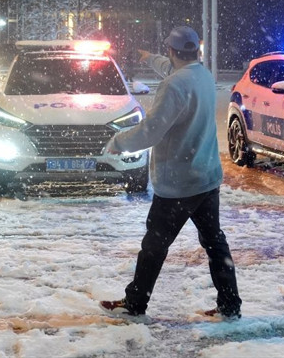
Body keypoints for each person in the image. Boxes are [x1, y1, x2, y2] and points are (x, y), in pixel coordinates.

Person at [100, 26, 241, 320]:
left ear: (173, 51)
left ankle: (136, 302)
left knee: (154, 245)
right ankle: (230, 305)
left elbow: (150, 131)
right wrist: (148, 57)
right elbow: (172, 68)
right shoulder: (202, 76)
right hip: (206, 179)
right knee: (216, 244)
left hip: (178, 184)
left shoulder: (173, 86)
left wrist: (118, 141)